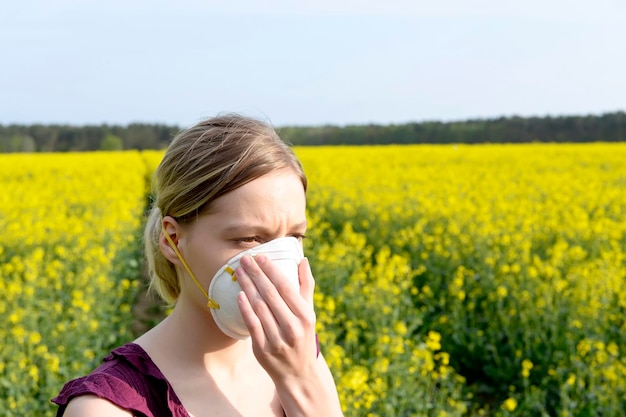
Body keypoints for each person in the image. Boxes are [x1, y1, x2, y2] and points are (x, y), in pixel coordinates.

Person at [52, 114, 344, 416]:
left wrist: (301, 377)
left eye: (295, 235)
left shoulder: (300, 357)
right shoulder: (104, 409)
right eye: (249, 238)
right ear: (173, 240)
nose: (279, 262)